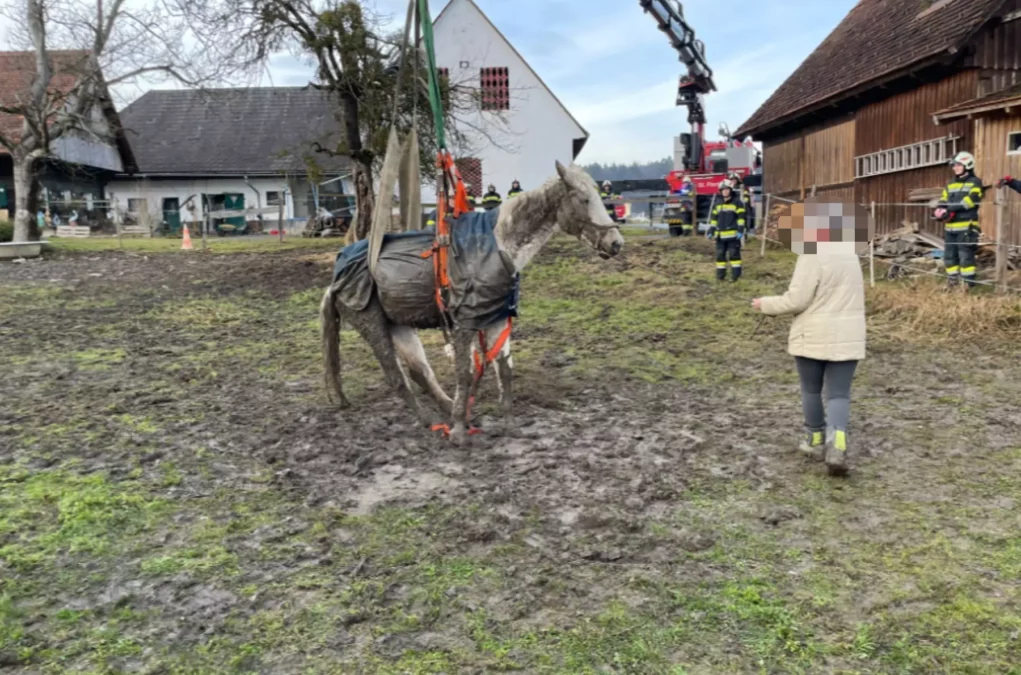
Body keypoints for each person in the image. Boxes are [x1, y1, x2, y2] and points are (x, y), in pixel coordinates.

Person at [751, 213, 867, 477]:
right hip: (849, 334)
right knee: (839, 395)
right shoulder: (850, 255)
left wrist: (764, 304)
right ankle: (837, 444)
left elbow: (797, 300)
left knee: (811, 390)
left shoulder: (811, 255)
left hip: (814, 334)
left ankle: (814, 440)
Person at [934, 151, 983, 289]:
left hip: (967, 227)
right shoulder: (950, 184)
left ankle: (968, 284)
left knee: (965, 256)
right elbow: (943, 199)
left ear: (968, 165)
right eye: (954, 165)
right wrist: (939, 210)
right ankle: (952, 282)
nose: (955, 168)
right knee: (949, 256)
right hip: (950, 228)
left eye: (958, 165)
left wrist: (949, 209)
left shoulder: (975, 182)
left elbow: (970, 201)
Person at [706, 181, 745, 281]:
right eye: (723, 190)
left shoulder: (737, 203)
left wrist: (740, 230)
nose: (725, 191)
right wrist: (711, 230)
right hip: (720, 236)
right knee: (720, 256)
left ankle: (736, 277)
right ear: (720, 191)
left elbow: (741, 218)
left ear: (731, 190)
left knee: (734, 256)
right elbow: (714, 219)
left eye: (727, 189)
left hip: (733, 236)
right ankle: (720, 277)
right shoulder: (717, 203)